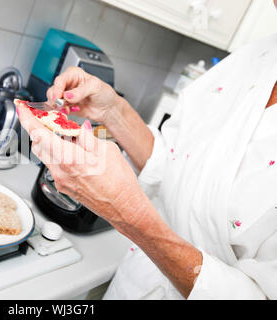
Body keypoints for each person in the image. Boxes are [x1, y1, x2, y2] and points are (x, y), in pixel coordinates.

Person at [16, 5, 277, 299]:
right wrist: (113, 110)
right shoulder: (255, 57)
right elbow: (174, 162)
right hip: (134, 283)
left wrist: (129, 215)